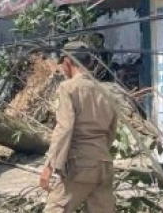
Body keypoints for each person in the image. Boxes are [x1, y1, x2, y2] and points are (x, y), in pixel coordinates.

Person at [39, 41, 118, 213]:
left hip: (80, 165)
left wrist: (50, 166)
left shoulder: (68, 88)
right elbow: (112, 131)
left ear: (67, 62)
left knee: (55, 209)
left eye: (62, 65)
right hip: (104, 164)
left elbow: (64, 128)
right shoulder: (107, 91)